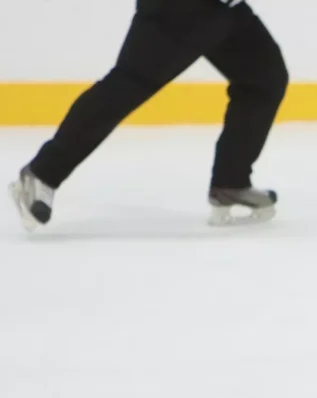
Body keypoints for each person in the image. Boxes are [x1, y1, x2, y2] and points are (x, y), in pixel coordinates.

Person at [8, 0, 287, 230]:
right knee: (129, 83)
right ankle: (42, 173)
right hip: (179, 8)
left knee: (264, 78)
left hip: (222, 8)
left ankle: (231, 183)